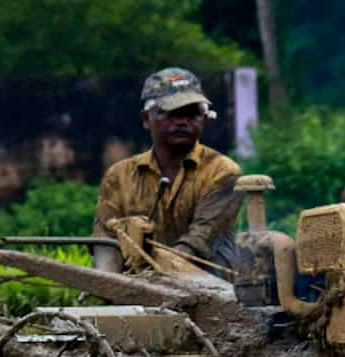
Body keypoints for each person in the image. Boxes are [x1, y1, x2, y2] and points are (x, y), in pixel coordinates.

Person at [92, 67, 242, 274]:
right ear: (146, 119)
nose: (181, 121)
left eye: (192, 113)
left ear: (205, 117)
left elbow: (198, 243)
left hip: (211, 293)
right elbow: (105, 242)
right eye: (170, 113)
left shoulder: (223, 171)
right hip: (132, 292)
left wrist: (152, 275)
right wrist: (107, 285)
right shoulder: (119, 175)